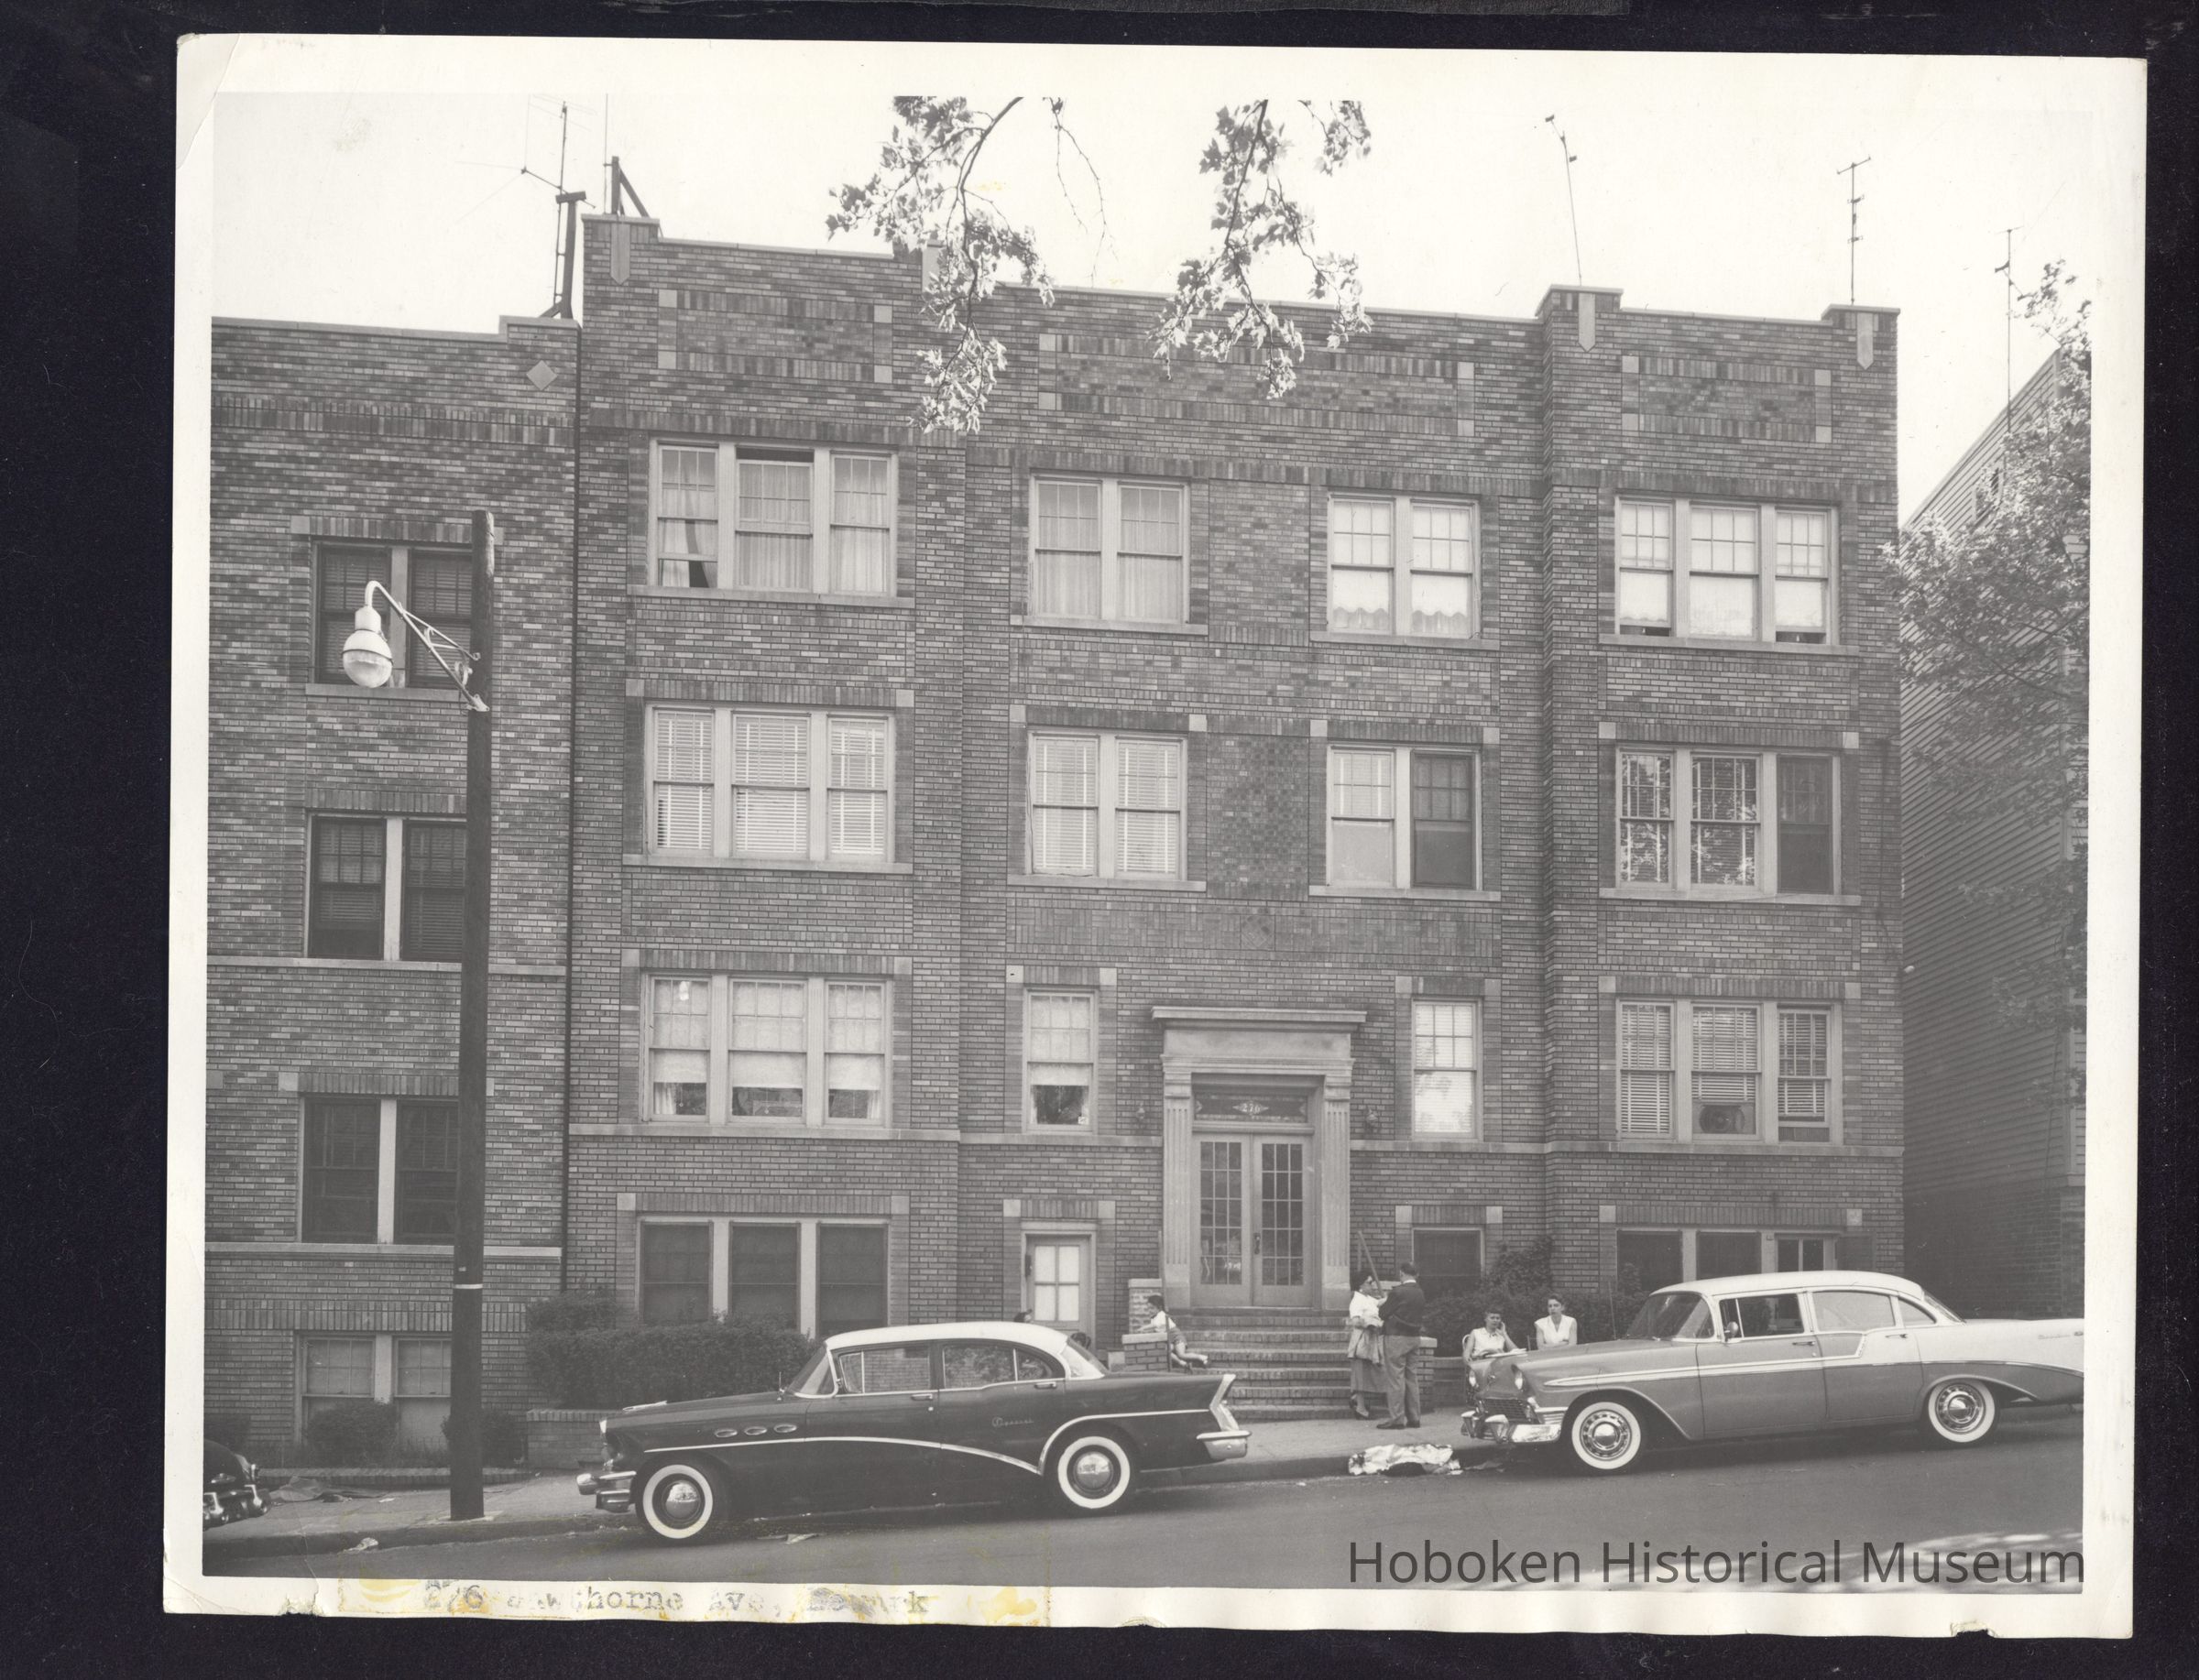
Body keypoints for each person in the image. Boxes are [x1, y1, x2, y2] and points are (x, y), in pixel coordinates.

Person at [1374, 1260, 1427, 1429]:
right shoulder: (1420, 1292)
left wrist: (1384, 1302)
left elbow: (1383, 1313)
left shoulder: (1398, 1292)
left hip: (1396, 1338)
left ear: (1402, 1273)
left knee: (1395, 1380)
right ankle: (1414, 1418)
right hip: (1414, 1338)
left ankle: (1397, 1419)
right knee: (1411, 1378)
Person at [1345, 1272, 1388, 1419]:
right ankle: (1361, 1408)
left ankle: (1357, 1399)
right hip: (1363, 1339)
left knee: (1369, 1372)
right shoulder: (1357, 1301)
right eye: (1369, 1282)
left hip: (1371, 1339)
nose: (1373, 1285)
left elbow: (1379, 1303)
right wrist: (1372, 1322)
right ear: (1361, 1286)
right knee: (1361, 1373)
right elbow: (1356, 1321)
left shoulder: (1368, 1299)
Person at [1143, 1293, 1209, 1369]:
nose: (1150, 1311)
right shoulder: (1153, 1318)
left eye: (1152, 1308)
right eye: (1148, 1308)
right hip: (1169, 1340)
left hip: (1176, 1337)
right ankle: (1183, 1363)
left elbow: (1155, 1325)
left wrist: (1143, 1328)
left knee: (1181, 1354)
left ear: (1159, 1308)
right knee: (1166, 1351)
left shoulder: (1162, 1315)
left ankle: (1203, 1358)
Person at [1464, 1310, 1520, 1388]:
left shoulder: (1501, 1335)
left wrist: (1505, 1334)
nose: (1495, 1320)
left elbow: (1516, 1352)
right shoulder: (1476, 1332)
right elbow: (1467, 1351)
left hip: (1498, 1367)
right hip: (1480, 1365)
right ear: (1485, 1319)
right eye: (1492, 1318)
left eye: (1498, 1318)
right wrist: (1469, 1364)